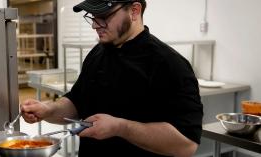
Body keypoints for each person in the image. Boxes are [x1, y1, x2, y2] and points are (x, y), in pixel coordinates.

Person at [21, 0, 203, 157]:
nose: (94, 25)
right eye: (92, 16)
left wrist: (120, 127)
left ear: (134, 11)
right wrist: (48, 109)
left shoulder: (169, 64)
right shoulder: (98, 53)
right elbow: (77, 102)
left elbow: (186, 145)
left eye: (104, 16)